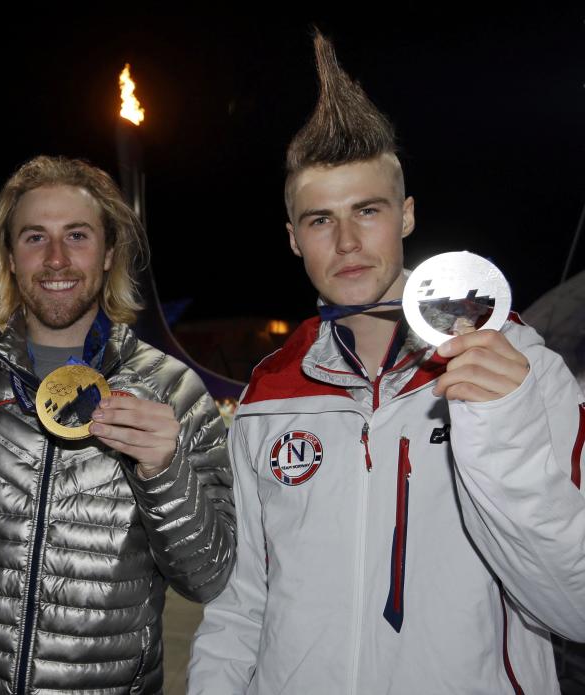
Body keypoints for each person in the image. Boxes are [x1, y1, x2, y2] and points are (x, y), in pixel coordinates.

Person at [188, 32, 585, 694]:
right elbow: (242, 602)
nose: (345, 241)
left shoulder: (516, 366)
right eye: (320, 220)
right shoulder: (269, 391)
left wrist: (505, 432)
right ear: (292, 237)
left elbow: (572, 605)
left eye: (366, 212)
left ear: (404, 215)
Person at [0, 155, 235, 694]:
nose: (55, 259)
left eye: (77, 235)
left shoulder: (174, 392)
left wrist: (164, 471)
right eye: (33, 238)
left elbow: (209, 579)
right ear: (8, 255)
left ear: (109, 252)